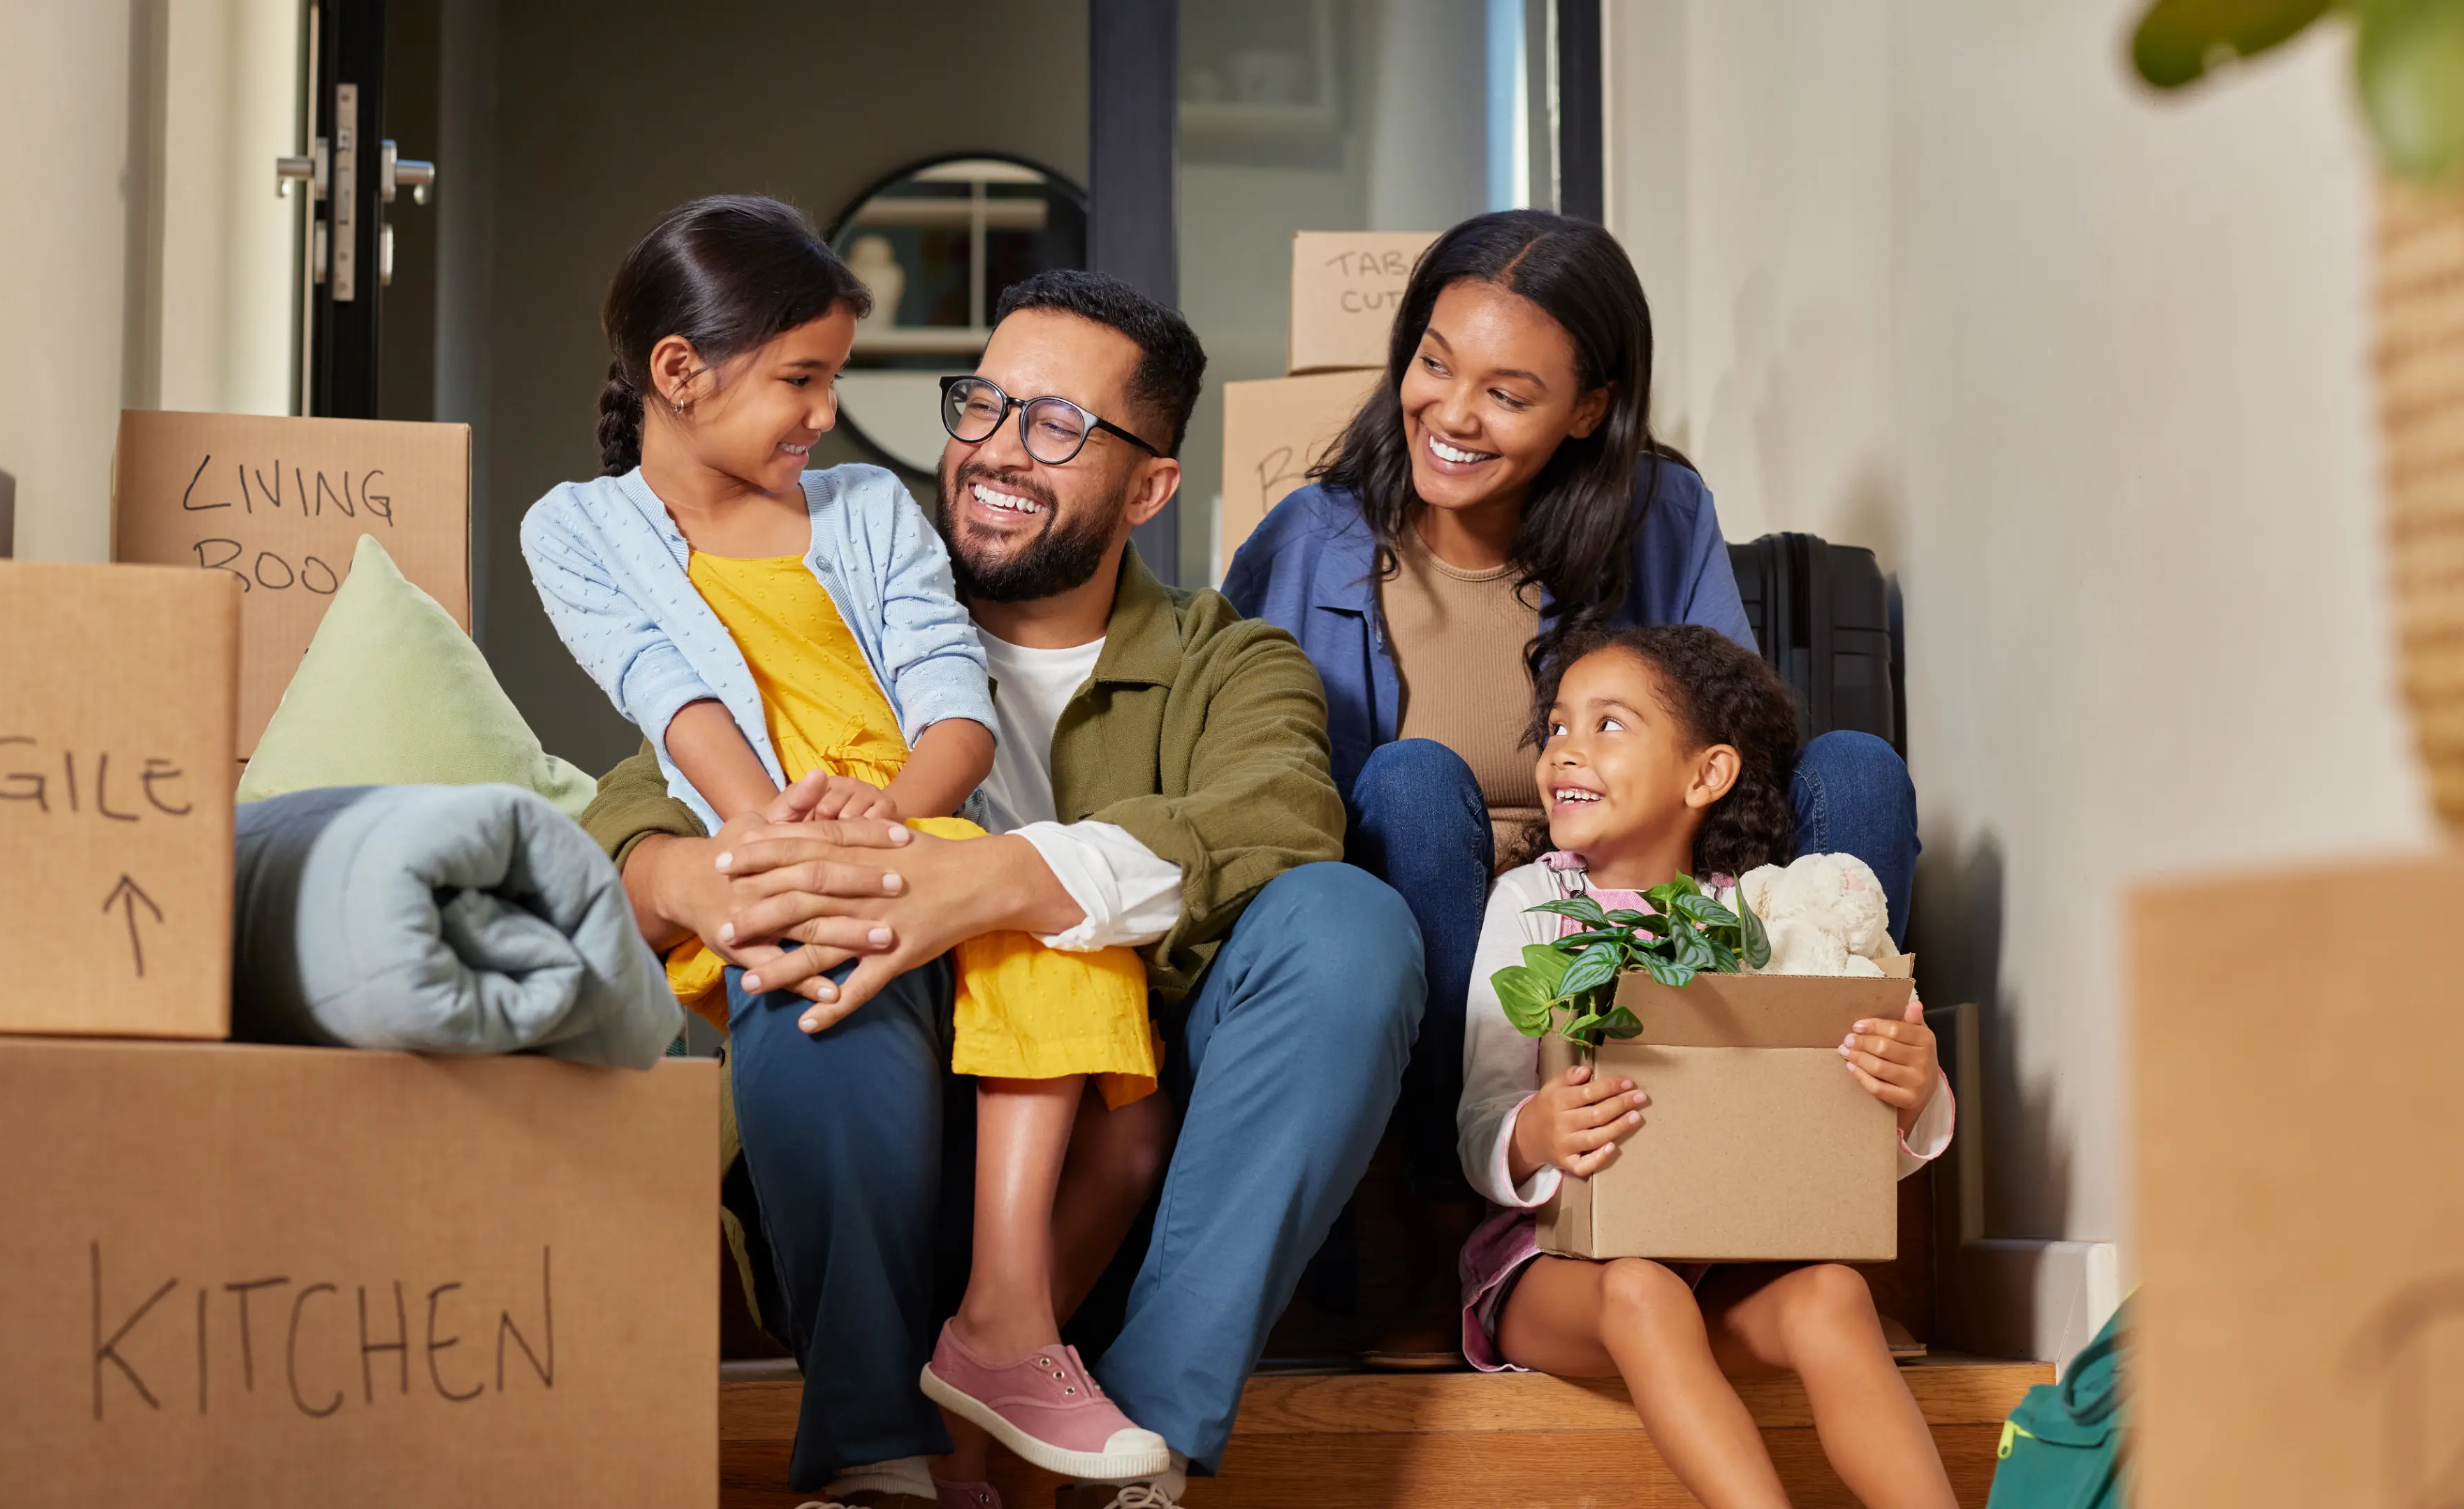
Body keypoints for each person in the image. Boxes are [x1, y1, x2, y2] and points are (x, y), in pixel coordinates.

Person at [579, 266, 1422, 1509]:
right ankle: (876, 1454)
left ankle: (1141, 1439)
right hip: (873, 1148)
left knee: (1355, 922)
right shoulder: (830, 607)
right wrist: (695, 872)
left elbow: (1280, 818)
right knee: (802, 924)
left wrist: (986, 883)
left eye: (1057, 425)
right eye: (981, 404)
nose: (994, 451)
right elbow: (634, 802)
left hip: (1144, 1181)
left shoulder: (1229, 663)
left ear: (1150, 486)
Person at [524, 198, 1173, 1483]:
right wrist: (774, 840)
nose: (826, 413)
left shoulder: (871, 505)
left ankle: (1003, 1315)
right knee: (809, 974)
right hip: (764, 845)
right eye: (802, 379)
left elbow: (952, 701)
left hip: (922, 823)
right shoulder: (579, 529)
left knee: (1059, 942)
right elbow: (668, 692)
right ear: (679, 372)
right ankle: (874, 1447)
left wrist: (894, 819)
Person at [1223, 210, 1918, 1356]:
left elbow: (1732, 744)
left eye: (1507, 392)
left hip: (1637, 897)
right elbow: (1258, 795)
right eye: (1433, 365)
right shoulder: (1309, 538)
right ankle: (1437, 1237)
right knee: (1407, 786)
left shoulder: (1663, 514)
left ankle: (1817, 1220)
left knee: (1858, 773)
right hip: (1420, 914)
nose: (1451, 413)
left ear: (1589, 409)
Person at [1461, 622, 1955, 1508]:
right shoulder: (1532, 902)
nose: (1567, 750)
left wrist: (1915, 1092)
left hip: (1718, 1266)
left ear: (1707, 775)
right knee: (1644, 1289)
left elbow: (1825, 1114)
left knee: (1837, 1295)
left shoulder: (1760, 914)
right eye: (1559, 727)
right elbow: (1483, 1116)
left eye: (1608, 725)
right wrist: (1534, 1132)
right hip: (1552, 1272)